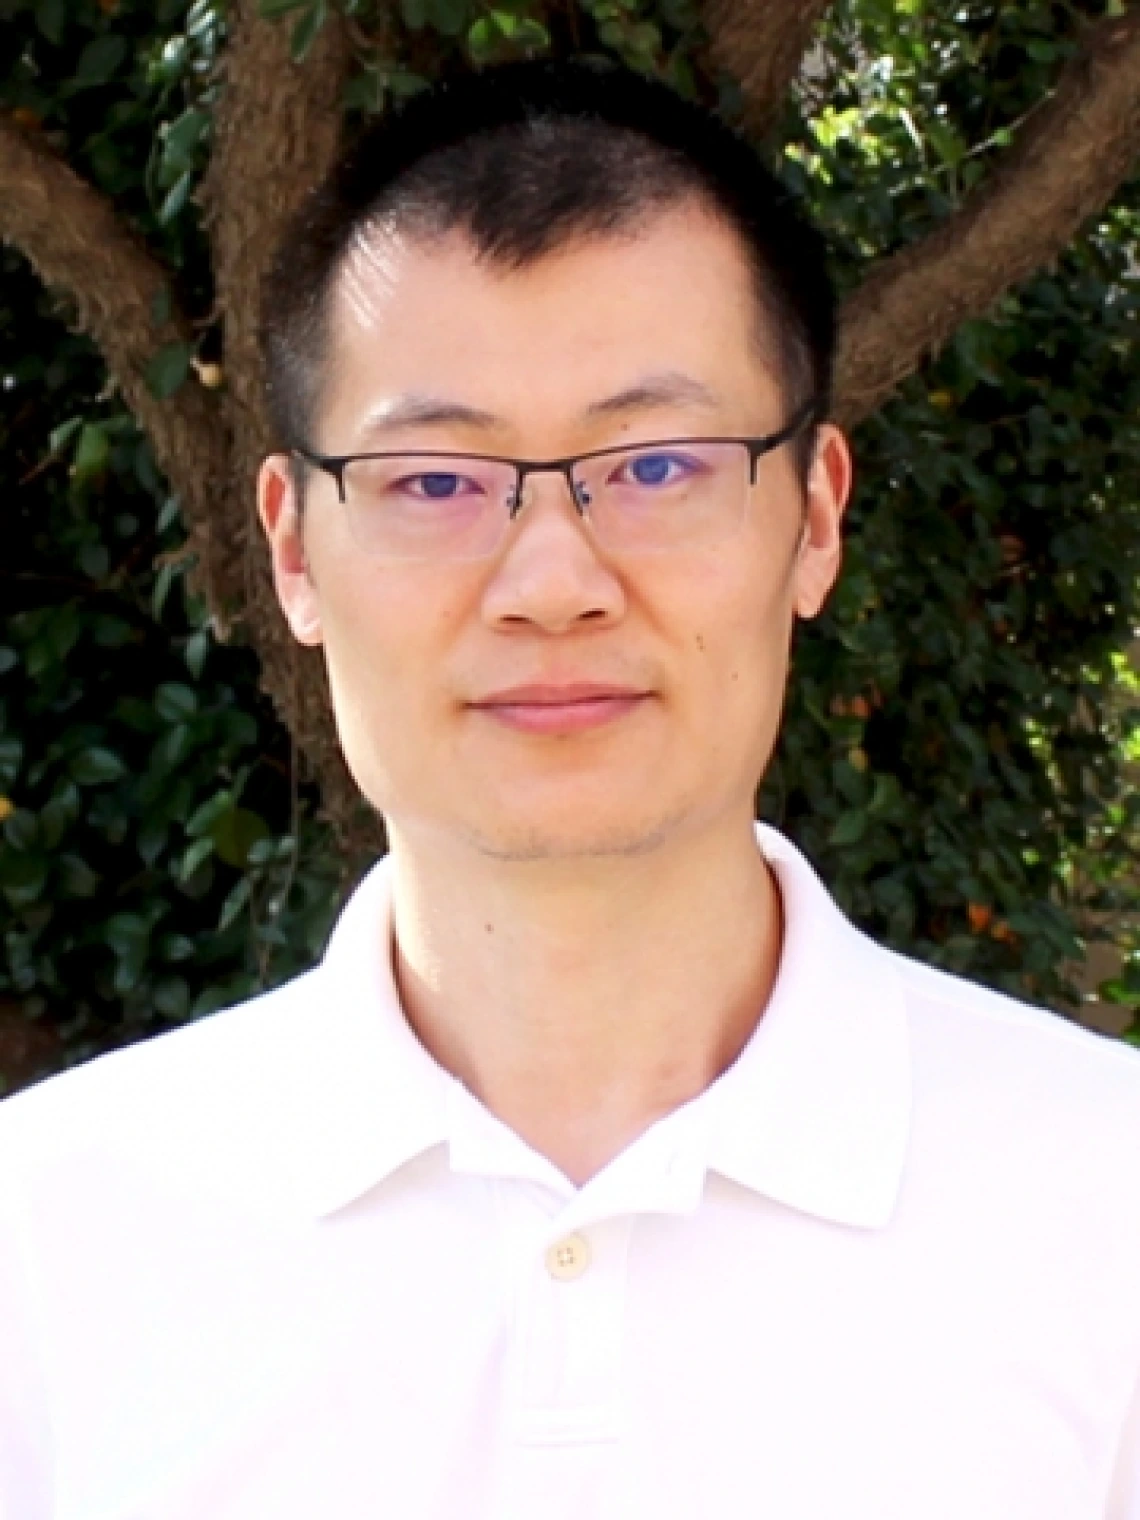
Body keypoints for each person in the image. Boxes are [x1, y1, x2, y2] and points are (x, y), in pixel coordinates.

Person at [2, 54, 1138, 1520]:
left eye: (658, 467)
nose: (551, 583)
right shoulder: (47, 1248)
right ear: (292, 547)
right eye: (434, 481)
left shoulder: (1102, 1207)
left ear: (815, 518)